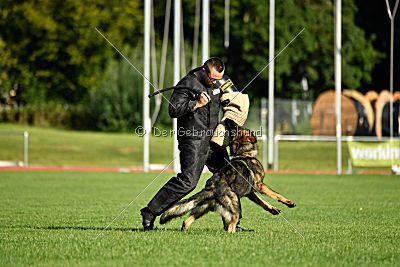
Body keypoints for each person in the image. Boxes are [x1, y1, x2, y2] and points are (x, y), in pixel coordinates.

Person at [140, 57, 252, 231]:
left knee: (230, 175)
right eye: (212, 79)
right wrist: (196, 104)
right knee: (188, 182)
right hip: (192, 139)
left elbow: (234, 98)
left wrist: (235, 110)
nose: (215, 82)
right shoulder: (187, 84)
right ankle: (149, 212)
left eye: (218, 79)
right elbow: (173, 109)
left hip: (214, 139)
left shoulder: (219, 82)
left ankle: (232, 223)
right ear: (203, 70)